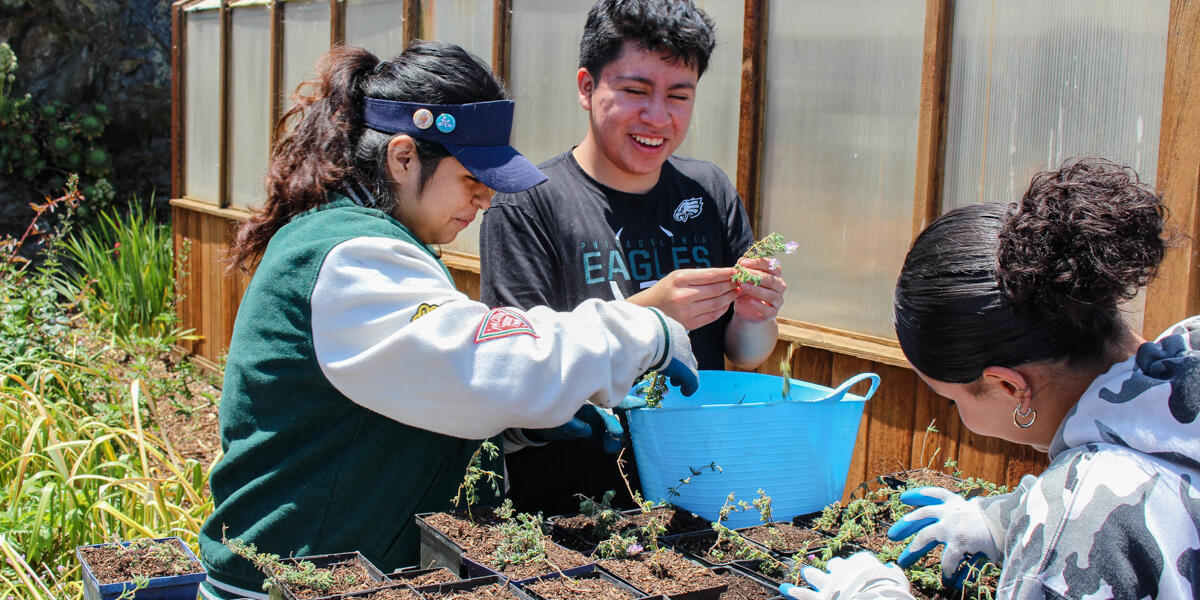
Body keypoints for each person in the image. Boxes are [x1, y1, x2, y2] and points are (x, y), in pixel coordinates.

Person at [196, 41, 700, 600]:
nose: (485, 198)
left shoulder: (367, 240)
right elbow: (485, 362)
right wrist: (642, 331)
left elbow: (405, 396)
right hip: (281, 585)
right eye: (471, 177)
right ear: (404, 157)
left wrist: (514, 428)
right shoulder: (351, 258)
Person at [780, 157, 1199, 600]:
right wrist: (1009, 518)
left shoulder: (1084, 516)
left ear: (1010, 387)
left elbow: (1099, 517)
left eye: (950, 399)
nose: (956, 413)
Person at [479, 0, 786, 514]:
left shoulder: (708, 190)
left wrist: (757, 315)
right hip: (569, 505)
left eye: (679, 96)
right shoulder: (529, 204)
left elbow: (746, 354)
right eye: (635, 91)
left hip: (695, 486)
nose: (658, 117)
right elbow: (522, 379)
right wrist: (649, 316)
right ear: (586, 87)